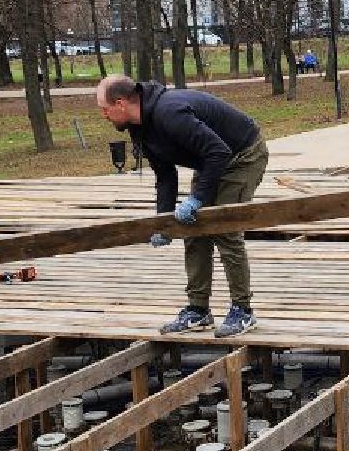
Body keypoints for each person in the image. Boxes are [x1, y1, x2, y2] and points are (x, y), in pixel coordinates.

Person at [95, 74, 269, 337]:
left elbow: (218, 151)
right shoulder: (140, 127)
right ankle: (198, 310)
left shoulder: (169, 113)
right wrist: (163, 222)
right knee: (192, 228)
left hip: (242, 155)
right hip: (211, 160)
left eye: (104, 110)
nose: (103, 116)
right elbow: (165, 175)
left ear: (120, 103)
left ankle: (243, 311)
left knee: (225, 227)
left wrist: (197, 198)